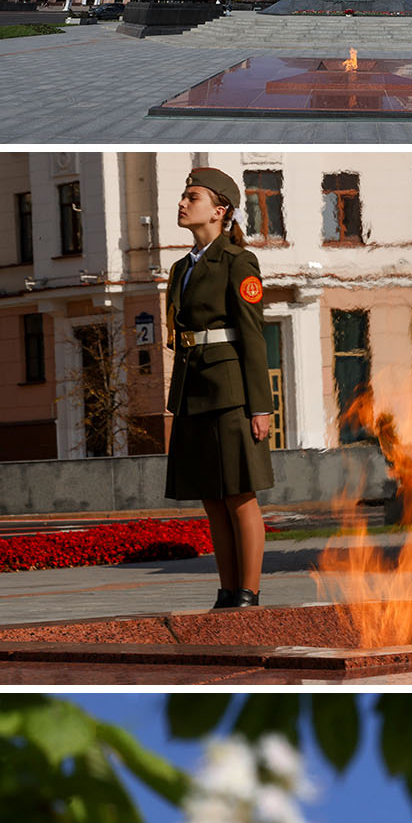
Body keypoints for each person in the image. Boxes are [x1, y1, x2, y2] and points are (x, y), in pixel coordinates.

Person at [165, 163, 275, 609]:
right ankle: (228, 590)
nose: (182, 202)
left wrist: (260, 406)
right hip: (193, 389)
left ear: (219, 210)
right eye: (184, 195)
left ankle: (248, 590)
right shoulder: (181, 267)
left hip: (231, 391)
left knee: (239, 495)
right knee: (212, 498)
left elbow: (252, 334)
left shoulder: (237, 261)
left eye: (193, 197)